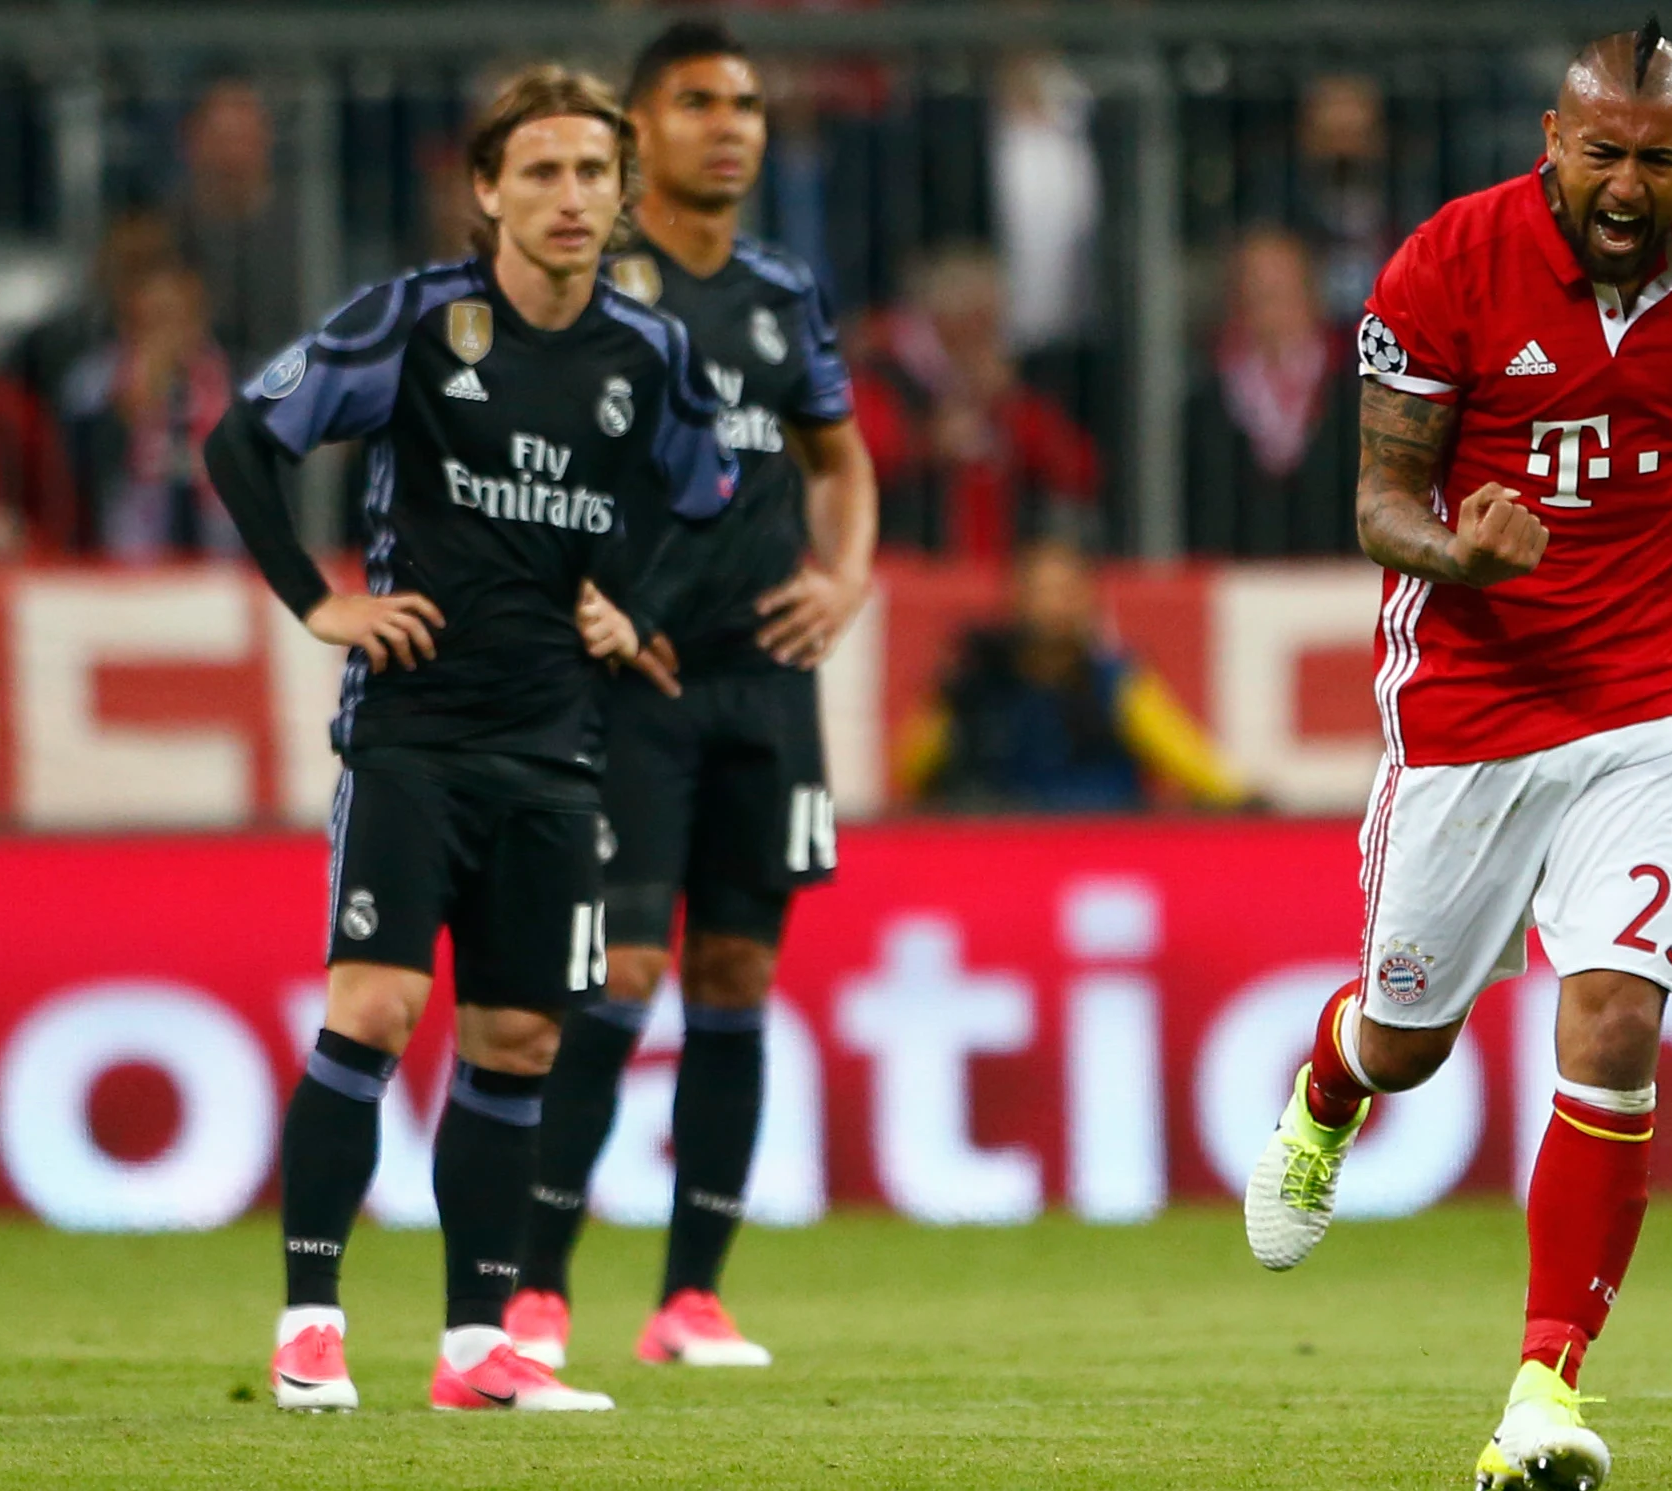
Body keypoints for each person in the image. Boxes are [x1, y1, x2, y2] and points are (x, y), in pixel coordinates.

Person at [1237, 25, 1672, 1489]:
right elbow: (1378, 496)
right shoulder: (1446, 265)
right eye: (1601, 152)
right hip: (1475, 699)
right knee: (1410, 1037)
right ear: (1552, 143)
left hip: (1662, 691)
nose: (1628, 184)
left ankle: (1541, 1389)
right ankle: (1329, 1084)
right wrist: (1460, 551)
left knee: (1615, 1019)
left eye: (1659, 156)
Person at [203, 64, 736, 1415]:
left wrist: (640, 607)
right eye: (541, 172)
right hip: (412, 737)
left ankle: (473, 1345)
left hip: (556, 745)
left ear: (621, 198)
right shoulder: (415, 322)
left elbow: (711, 491)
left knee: (515, 1040)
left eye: (590, 174)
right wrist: (321, 598)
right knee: (374, 1007)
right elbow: (240, 439)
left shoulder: (647, 352)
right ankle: (311, 1320)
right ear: (488, 189)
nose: (569, 197)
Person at [506, 20, 877, 1376]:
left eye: (749, 104)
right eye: (701, 102)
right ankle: (535, 1287)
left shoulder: (785, 288)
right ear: (639, 128)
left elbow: (836, 456)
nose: (733, 125)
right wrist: (579, 598)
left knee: (733, 972)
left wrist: (843, 578)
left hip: (764, 680)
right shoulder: (587, 283)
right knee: (617, 968)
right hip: (626, 685)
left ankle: (690, 1299)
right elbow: (510, 460)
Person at [895, 538, 1250, 813]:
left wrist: (1246, 800)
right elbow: (911, 770)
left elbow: (1194, 762)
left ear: (1087, 600)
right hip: (1004, 859)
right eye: (1040, 591)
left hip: (1100, 852)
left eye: (1064, 592)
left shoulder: (1118, 684)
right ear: (1015, 599)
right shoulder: (975, 688)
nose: (1052, 606)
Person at [850, 244, 1101, 556]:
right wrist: (927, 444)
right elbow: (853, 457)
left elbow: (1080, 471)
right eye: (977, 318)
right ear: (942, 319)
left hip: (1001, 565)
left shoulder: (1011, 390)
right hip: (903, 559)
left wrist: (1011, 405)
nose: (989, 333)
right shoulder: (886, 371)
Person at [1186, 225, 1359, 555]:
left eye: (1281, 294)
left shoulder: (1355, 395)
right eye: (1258, 296)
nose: (1271, 311)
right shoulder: (1206, 404)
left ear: (1311, 296)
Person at [55, 260, 235, 559]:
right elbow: (74, 470)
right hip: (121, 552)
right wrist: (129, 406)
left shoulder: (234, 376)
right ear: (128, 322)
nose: (171, 333)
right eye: (157, 319)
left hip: (222, 553)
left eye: (183, 317)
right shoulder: (93, 380)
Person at [171, 77, 306, 374]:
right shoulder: (163, 234)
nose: (231, 158)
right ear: (189, 143)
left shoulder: (309, 233)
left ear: (267, 141)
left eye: (244, 139)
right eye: (219, 140)